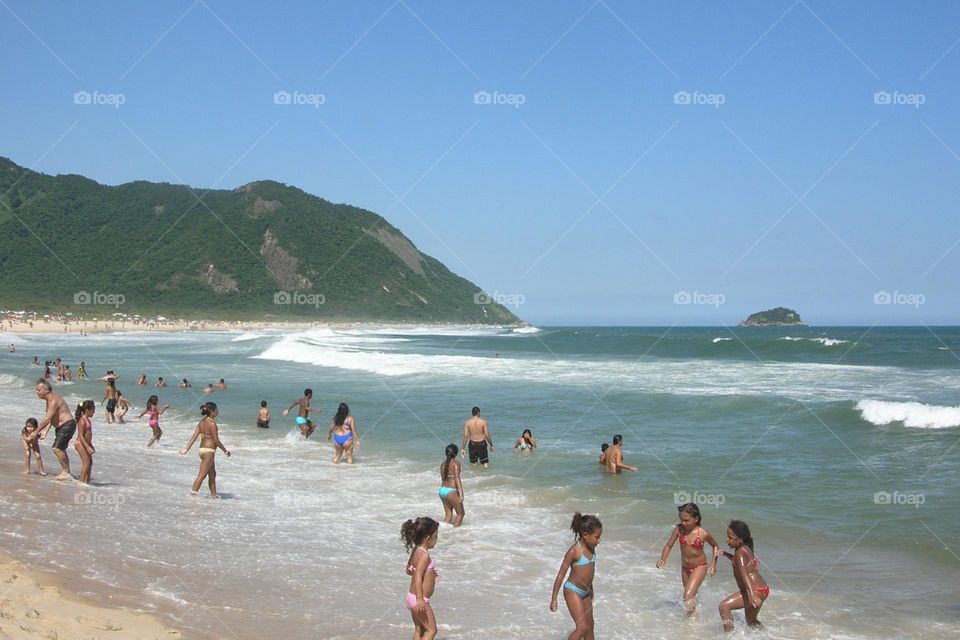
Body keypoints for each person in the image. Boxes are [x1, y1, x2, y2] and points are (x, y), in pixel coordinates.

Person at [656, 503, 721, 615]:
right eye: (681, 520)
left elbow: (716, 546)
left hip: (699, 567)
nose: (683, 523)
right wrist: (663, 559)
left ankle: (693, 619)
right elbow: (668, 545)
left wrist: (713, 564)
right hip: (685, 568)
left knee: (687, 596)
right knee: (690, 597)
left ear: (696, 519)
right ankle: (692, 619)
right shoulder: (678, 529)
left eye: (686, 520)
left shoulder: (702, 533)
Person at [550, 513, 602, 640]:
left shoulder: (592, 548)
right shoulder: (574, 551)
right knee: (582, 628)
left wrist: (591, 590)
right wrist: (554, 598)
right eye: (597, 537)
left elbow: (590, 573)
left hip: (586, 592)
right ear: (585, 535)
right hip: (572, 591)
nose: (599, 540)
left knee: (590, 627)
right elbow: (561, 575)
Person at [715, 520, 769, 633]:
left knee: (724, 606)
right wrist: (726, 554)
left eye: (730, 537)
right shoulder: (745, 548)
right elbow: (740, 564)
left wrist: (752, 595)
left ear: (739, 540)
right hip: (762, 588)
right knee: (751, 621)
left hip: (755, 590)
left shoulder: (739, 553)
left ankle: (730, 636)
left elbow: (744, 575)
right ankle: (767, 635)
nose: (727, 540)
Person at [400, 517, 440, 640]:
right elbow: (417, 575)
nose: (437, 539)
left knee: (420, 630)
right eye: (436, 536)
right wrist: (420, 599)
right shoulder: (425, 555)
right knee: (431, 631)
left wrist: (431, 573)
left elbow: (409, 570)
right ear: (428, 538)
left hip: (411, 597)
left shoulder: (416, 550)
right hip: (419, 599)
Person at [179, 402, 231, 498]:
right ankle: (192, 497)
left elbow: (194, 436)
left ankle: (214, 496)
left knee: (212, 474)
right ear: (212, 411)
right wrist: (225, 451)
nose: (218, 411)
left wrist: (186, 448)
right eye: (216, 409)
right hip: (209, 451)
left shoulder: (201, 422)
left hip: (202, 450)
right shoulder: (212, 424)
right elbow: (216, 440)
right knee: (201, 476)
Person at [32, 379, 75, 480]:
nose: (37, 392)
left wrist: (35, 432)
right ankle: (66, 472)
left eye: (39, 390)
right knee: (61, 449)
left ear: (46, 390)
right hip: (61, 427)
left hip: (67, 425)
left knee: (57, 448)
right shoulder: (48, 400)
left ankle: (66, 472)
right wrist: (45, 431)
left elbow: (47, 418)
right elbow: (52, 418)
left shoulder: (53, 400)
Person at [439, 444, 464, 527]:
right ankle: (456, 535)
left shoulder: (442, 464)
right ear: (456, 453)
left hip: (442, 490)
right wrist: (461, 493)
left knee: (448, 515)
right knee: (461, 514)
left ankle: (445, 534)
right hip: (451, 491)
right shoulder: (456, 463)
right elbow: (457, 478)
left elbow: (443, 479)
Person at [73, 400, 96, 484]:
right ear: (87, 410)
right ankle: (81, 482)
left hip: (86, 444)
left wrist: (90, 445)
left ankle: (87, 481)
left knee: (90, 463)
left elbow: (88, 435)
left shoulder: (87, 420)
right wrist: (87, 447)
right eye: (93, 410)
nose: (94, 412)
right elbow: (81, 436)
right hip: (80, 443)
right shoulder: (82, 420)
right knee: (86, 463)